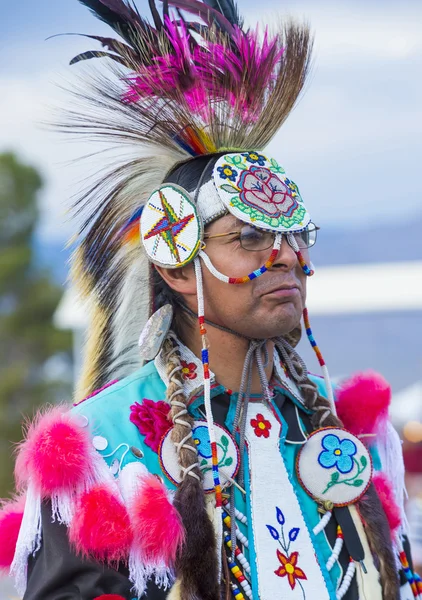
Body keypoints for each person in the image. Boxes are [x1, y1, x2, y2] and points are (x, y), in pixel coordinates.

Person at [0, 1, 421, 599]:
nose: (285, 257)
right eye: (248, 237)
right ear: (176, 265)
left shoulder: (342, 437)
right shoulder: (102, 450)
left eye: (295, 237)